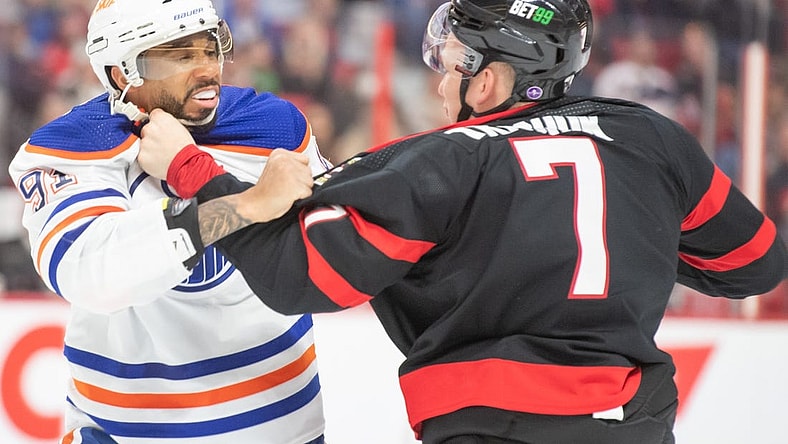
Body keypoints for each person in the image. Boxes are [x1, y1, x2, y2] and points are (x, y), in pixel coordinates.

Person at [137, 0, 787, 443]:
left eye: (449, 67)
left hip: (490, 426)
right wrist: (634, 225)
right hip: (633, 423)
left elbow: (297, 275)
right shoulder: (651, 140)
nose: (441, 86)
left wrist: (193, 172)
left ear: (488, 82)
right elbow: (755, 263)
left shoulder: (436, 163)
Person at [7, 0, 330, 442]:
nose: (206, 69)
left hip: (282, 427)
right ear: (123, 74)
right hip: (126, 433)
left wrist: (194, 168)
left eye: (209, 48)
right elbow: (93, 274)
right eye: (179, 56)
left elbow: (328, 246)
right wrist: (242, 206)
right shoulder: (70, 147)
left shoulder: (273, 126)